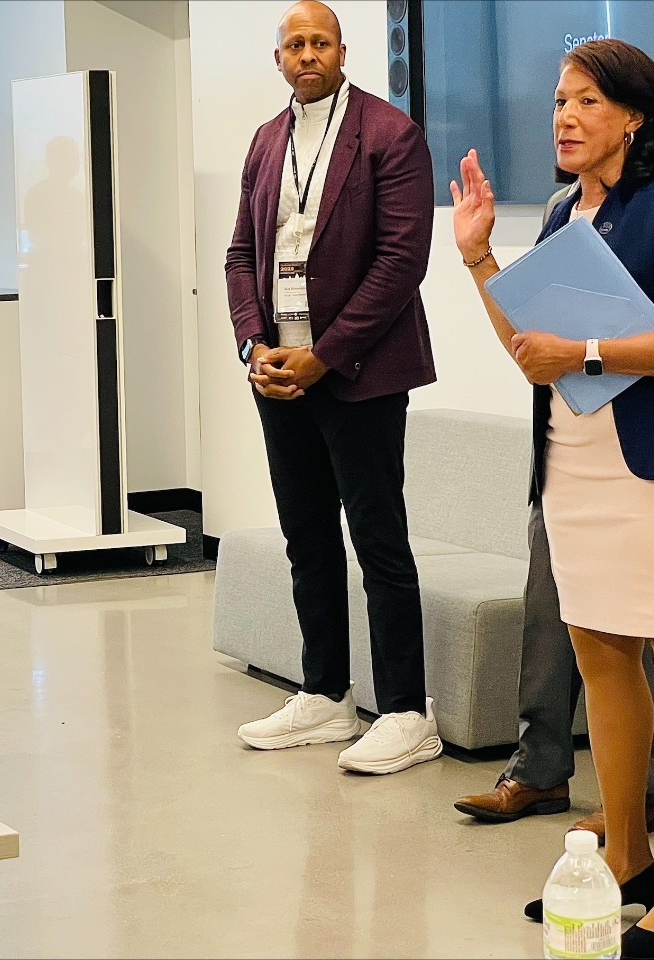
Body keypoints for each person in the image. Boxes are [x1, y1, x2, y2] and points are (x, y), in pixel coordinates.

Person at [452, 38, 654, 959]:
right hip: (575, 462)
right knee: (600, 656)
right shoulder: (558, 212)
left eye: (587, 102)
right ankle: (627, 857)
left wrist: (586, 354)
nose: (565, 118)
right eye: (558, 102)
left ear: (633, 116)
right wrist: (478, 262)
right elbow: (532, 344)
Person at [226, 0, 442, 776]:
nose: (307, 54)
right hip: (278, 373)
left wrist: (325, 353)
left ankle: (409, 713)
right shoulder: (265, 140)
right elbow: (238, 254)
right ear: (278, 58)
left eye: (320, 41)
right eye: (294, 44)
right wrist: (256, 341)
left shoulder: (390, 134)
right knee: (306, 536)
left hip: (362, 374)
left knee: (379, 542)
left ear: (344, 51)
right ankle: (323, 694)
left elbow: (400, 264)